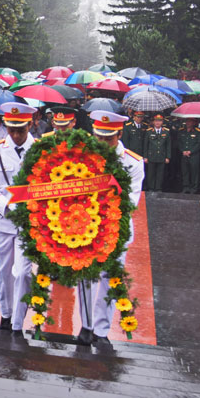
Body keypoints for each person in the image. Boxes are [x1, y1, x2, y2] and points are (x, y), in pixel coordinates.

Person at [77, 110, 144, 346]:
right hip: (84, 230)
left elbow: (129, 202)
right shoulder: (83, 158)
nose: (103, 142)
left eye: (109, 138)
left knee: (109, 278)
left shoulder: (133, 162)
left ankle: (101, 330)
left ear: (119, 134)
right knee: (84, 278)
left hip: (116, 229)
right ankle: (85, 326)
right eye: (99, 137)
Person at [0, 102, 37, 332]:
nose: (15, 135)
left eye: (20, 130)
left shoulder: (41, 149)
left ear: (30, 125)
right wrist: (9, 206)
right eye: (11, 129)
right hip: (2, 219)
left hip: (28, 222)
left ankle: (18, 320)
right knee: (2, 271)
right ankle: (6, 313)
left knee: (23, 272)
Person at [143, 114, 170, 192]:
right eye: (156, 121)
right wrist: (145, 157)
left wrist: (168, 157)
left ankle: (158, 188)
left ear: (162, 122)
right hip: (151, 156)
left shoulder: (166, 132)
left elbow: (168, 145)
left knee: (160, 174)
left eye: (159, 121)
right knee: (151, 173)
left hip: (161, 155)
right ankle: (151, 187)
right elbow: (146, 145)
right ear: (153, 122)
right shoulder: (149, 132)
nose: (158, 123)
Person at [178, 118, 200, 194]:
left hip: (194, 155)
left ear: (194, 123)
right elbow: (179, 142)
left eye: (190, 121)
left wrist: (191, 151)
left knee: (194, 172)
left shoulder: (198, 132)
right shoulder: (181, 131)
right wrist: (183, 151)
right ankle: (186, 187)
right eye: (187, 121)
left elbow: (199, 144)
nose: (188, 123)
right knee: (185, 171)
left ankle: (194, 187)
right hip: (184, 154)